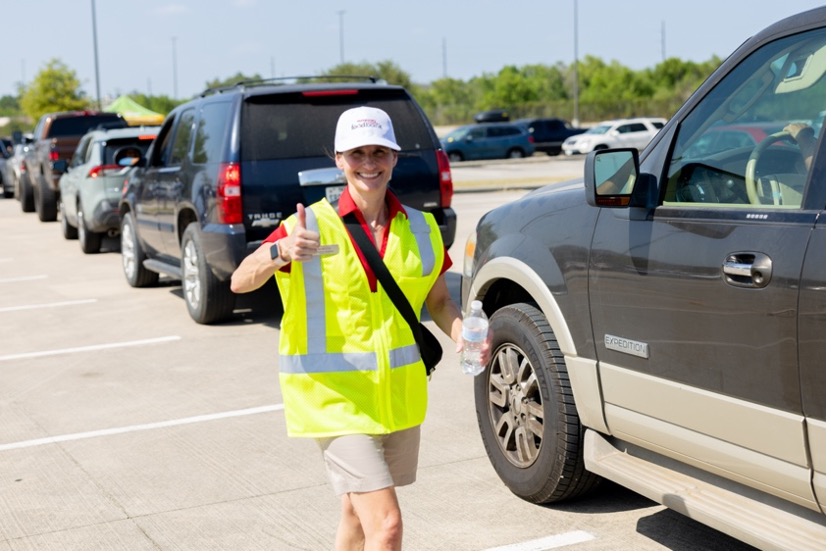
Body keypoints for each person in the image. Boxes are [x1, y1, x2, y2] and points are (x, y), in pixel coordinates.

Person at [230, 106, 490, 551]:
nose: (368, 164)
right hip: (332, 400)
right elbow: (239, 280)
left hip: (397, 399)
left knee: (356, 511)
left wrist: (464, 333)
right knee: (386, 526)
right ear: (338, 159)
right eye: (357, 154)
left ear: (393, 157)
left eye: (378, 152)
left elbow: (439, 301)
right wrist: (280, 253)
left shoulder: (423, 229)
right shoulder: (307, 225)